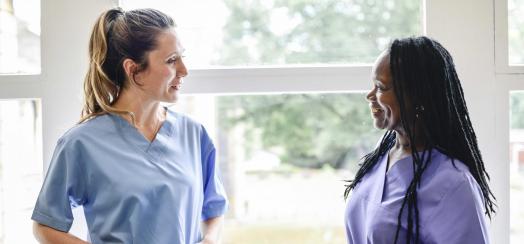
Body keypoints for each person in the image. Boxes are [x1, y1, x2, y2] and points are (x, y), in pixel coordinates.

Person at [31, 7, 228, 244]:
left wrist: (209, 240)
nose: (184, 70)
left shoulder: (194, 134)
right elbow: (45, 226)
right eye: (171, 60)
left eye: (182, 57)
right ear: (133, 70)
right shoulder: (81, 143)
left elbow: (214, 208)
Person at [344, 36, 496, 244]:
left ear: (416, 96)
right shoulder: (383, 153)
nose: (370, 95)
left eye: (381, 87)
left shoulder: (454, 183)